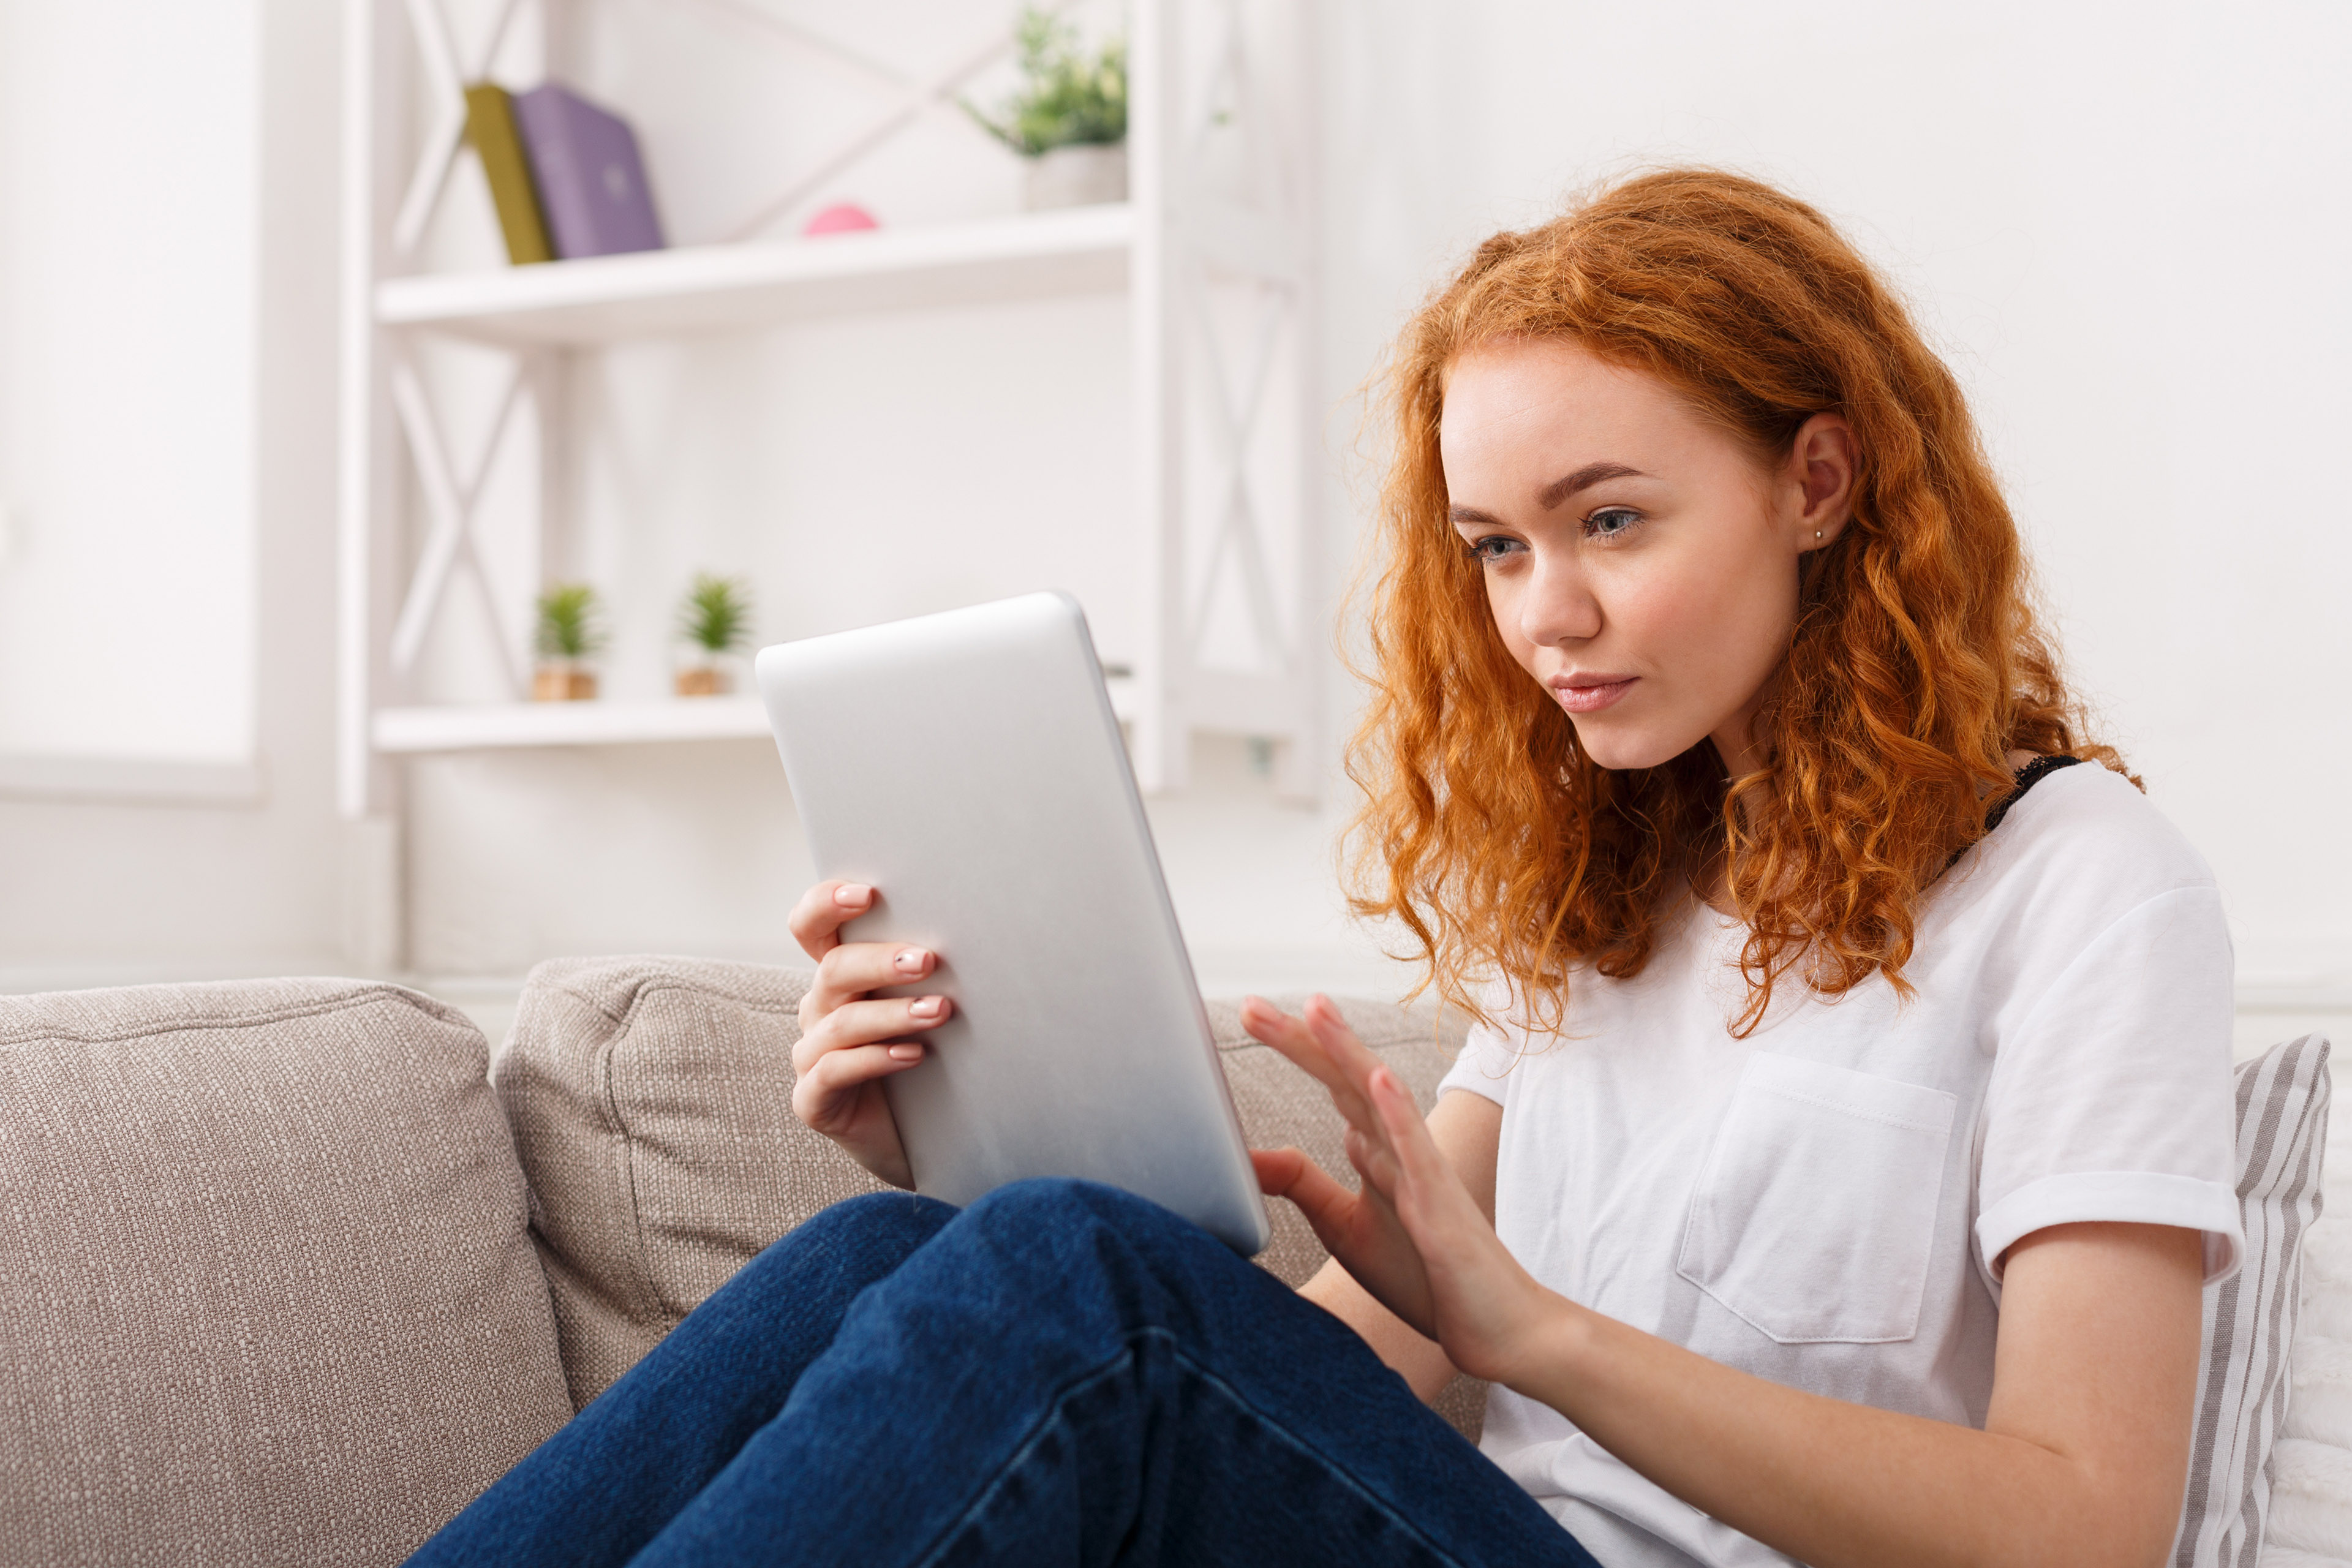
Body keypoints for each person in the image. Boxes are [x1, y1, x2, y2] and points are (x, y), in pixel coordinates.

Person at [409, 170, 2241, 1568]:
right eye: (1500, 549)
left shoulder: (2082, 887)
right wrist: (959, 1154)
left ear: (1820, 483)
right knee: (894, 1248)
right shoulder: (1608, 894)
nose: (1551, 614)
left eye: (1612, 521)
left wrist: (1544, 1339)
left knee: (1078, 1279)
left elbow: (2080, 1528)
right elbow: (1365, 1361)